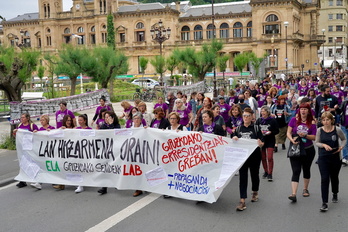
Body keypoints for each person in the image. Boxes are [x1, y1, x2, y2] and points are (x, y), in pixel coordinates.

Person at [232, 108, 264, 211]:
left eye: (248, 116)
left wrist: (261, 143)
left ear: (252, 117)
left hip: (254, 156)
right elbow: (232, 140)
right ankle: (242, 200)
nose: (246, 118)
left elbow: (262, 141)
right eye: (244, 116)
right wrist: (234, 138)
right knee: (243, 178)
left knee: (254, 175)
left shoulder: (256, 128)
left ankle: (255, 191)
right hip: (242, 157)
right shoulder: (238, 129)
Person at [315, 112, 346, 212]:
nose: (325, 122)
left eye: (327, 120)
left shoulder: (337, 130)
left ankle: (335, 193)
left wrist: (341, 147)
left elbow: (344, 139)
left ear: (331, 120)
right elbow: (317, 142)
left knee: (334, 176)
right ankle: (324, 202)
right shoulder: (319, 130)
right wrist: (323, 145)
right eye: (323, 120)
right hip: (323, 157)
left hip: (335, 157)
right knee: (324, 179)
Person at [286, 103, 317, 202]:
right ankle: (293, 193)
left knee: (306, 169)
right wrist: (292, 140)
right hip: (296, 148)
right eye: (301, 109)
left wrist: (305, 135)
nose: (303, 111)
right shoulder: (293, 120)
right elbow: (288, 132)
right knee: (296, 170)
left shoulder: (312, 122)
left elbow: (315, 137)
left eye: (305, 109)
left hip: (308, 149)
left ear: (308, 111)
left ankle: (305, 189)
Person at [97, 111, 121, 195]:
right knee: (105, 168)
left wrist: (111, 125)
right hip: (106, 149)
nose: (106, 119)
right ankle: (104, 187)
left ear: (112, 118)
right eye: (105, 117)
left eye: (108, 117)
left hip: (115, 150)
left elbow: (114, 135)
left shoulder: (117, 126)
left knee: (115, 167)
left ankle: (117, 182)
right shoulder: (103, 126)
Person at [14, 113, 39, 188]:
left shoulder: (32, 125)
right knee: (23, 163)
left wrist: (35, 132)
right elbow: (17, 137)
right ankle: (22, 180)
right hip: (22, 148)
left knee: (33, 163)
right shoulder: (19, 126)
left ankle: (36, 179)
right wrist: (15, 132)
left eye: (23, 117)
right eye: (21, 117)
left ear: (28, 118)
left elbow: (38, 135)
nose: (22, 119)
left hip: (30, 147)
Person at [256, 106, 279, 181]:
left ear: (268, 112)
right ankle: (265, 171)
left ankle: (270, 173)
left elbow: (277, 131)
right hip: (262, 140)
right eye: (262, 111)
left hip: (270, 140)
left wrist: (271, 132)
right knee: (263, 157)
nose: (262, 113)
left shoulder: (272, 120)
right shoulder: (259, 120)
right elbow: (255, 130)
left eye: (264, 111)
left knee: (269, 157)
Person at [53, 115, 74, 190]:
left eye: (70, 120)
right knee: (62, 166)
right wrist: (60, 130)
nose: (69, 122)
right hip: (64, 152)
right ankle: (61, 183)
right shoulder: (61, 129)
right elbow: (53, 135)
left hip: (74, 152)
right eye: (67, 120)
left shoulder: (74, 129)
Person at [75, 114, 92, 193]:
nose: (79, 122)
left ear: (85, 121)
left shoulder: (90, 129)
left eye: (81, 120)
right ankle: (80, 184)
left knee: (86, 167)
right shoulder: (76, 129)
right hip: (78, 151)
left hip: (87, 151)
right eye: (78, 120)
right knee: (79, 167)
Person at [131, 112, 145, 197]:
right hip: (132, 153)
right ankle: (138, 188)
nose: (136, 120)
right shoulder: (129, 129)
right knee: (135, 171)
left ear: (141, 120)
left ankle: (142, 186)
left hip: (142, 152)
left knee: (142, 170)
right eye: (135, 118)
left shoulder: (144, 129)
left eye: (138, 118)